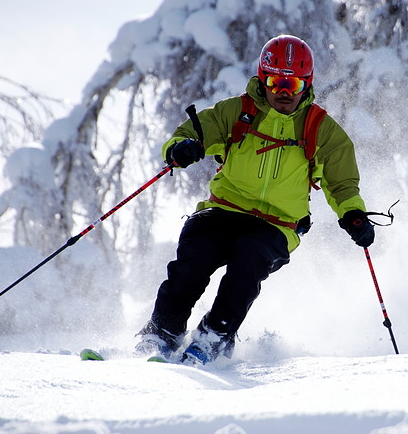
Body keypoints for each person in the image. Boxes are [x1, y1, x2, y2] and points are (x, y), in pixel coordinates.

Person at [136, 34, 374, 364]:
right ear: (263, 79)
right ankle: (161, 334)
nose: (284, 92)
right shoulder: (238, 112)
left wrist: (354, 215)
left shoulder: (321, 129)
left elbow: (342, 185)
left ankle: (214, 336)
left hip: (277, 224)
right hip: (223, 210)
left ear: (307, 83)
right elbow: (188, 133)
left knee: (248, 258)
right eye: (276, 82)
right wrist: (180, 149)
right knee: (195, 256)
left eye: (294, 84)